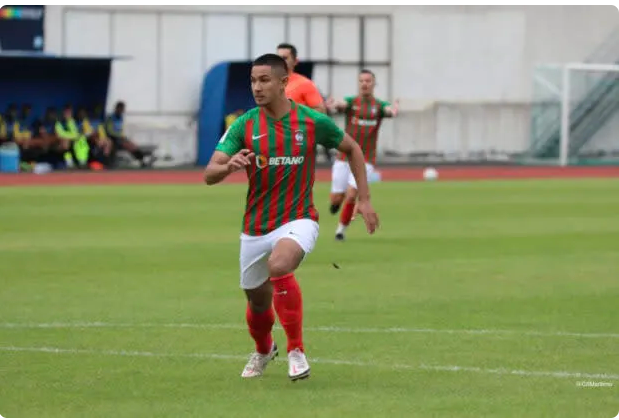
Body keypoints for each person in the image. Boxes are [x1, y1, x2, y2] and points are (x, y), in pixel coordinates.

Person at [203, 54, 379, 381]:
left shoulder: (311, 122)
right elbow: (209, 172)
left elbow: (353, 148)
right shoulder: (244, 124)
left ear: (284, 82)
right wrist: (228, 167)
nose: (257, 87)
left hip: (299, 218)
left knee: (280, 265)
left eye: (264, 80)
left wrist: (364, 199)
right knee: (257, 304)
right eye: (253, 81)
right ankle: (263, 348)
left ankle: (296, 350)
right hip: (256, 227)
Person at [326, 69, 399, 241]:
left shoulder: (378, 106)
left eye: (368, 81)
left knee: (352, 194)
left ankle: (340, 231)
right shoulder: (352, 103)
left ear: (374, 84)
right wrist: (335, 105)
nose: (365, 84)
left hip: (366, 159)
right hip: (344, 158)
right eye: (362, 81)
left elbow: (388, 110)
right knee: (337, 198)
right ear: (358, 84)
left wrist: (393, 111)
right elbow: (342, 104)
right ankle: (337, 203)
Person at [106, 101, 156, 168]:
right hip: (112, 138)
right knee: (129, 145)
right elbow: (109, 131)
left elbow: (120, 130)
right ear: (117, 108)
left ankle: (142, 160)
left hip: (119, 138)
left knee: (133, 145)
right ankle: (143, 158)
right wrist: (120, 137)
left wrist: (123, 137)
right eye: (121, 109)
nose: (123, 110)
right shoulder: (111, 118)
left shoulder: (121, 117)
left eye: (123, 109)